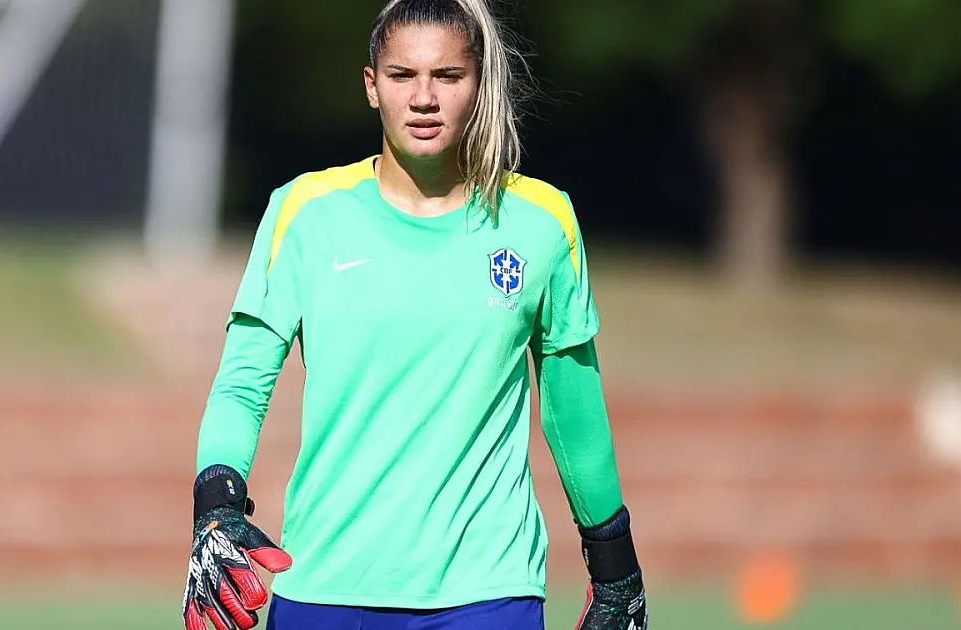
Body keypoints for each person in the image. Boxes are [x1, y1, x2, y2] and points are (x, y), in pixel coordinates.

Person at [180, 1, 648, 628]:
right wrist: (216, 503)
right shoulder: (304, 211)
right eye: (402, 76)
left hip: (488, 592)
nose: (424, 97)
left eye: (448, 76)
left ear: (478, 84)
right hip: (324, 586)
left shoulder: (542, 222)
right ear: (372, 86)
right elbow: (242, 382)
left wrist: (614, 569)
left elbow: (572, 405)